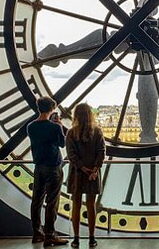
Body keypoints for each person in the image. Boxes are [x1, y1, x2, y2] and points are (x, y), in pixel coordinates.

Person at [27, 97, 69, 247]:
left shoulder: (30, 127)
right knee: (52, 202)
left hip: (39, 166)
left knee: (36, 201)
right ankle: (50, 235)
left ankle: (37, 233)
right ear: (52, 109)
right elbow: (62, 144)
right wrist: (60, 127)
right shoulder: (55, 127)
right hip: (53, 167)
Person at [65, 103, 106, 248]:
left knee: (76, 205)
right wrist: (94, 170)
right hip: (92, 175)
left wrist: (82, 168)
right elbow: (101, 152)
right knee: (91, 206)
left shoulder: (71, 133)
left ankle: (76, 238)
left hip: (77, 174)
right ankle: (91, 237)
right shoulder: (98, 132)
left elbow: (71, 155)